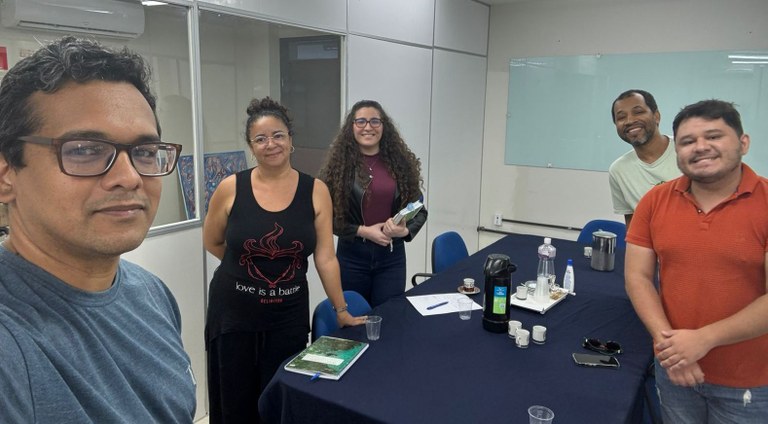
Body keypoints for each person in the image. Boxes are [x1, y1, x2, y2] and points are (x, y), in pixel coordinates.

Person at [0, 37, 196, 422]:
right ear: (6, 174)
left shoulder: (151, 292)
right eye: (84, 150)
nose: (129, 177)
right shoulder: (12, 345)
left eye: (144, 152)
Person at [203, 97, 365, 423]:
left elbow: (325, 257)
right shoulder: (231, 188)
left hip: (287, 317)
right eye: (260, 139)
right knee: (234, 404)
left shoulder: (315, 190)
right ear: (251, 146)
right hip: (233, 315)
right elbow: (213, 241)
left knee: (281, 400)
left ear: (291, 139)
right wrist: (251, 273)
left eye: (278, 135)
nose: (271, 144)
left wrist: (341, 310)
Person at [625, 100, 768, 422]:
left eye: (714, 136)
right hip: (675, 371)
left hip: (752, 382)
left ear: (743, 143)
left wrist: (702, 340)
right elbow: (638, 278)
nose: (700, 147)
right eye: (688, 141)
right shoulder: (655, 201)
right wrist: (671, 350)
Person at [318, 100, 427, 307]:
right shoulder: (338, 168)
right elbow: (324, 219)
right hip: (352, 257)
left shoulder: (400, 165)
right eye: (361, 121)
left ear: (384, 126)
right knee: (354, 318)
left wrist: (404, 231)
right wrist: (363, 231)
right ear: (352, 127)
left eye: (375, 121)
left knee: (389, 317)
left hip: (392, 258)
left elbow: (420, 210)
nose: (368, 127)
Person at [609, 89, 680, 227]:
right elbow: (633, 224)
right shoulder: (618, 170)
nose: (629, 121)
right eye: (621, 117)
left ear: (656, 116)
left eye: (638, 112)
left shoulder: (687, 152)